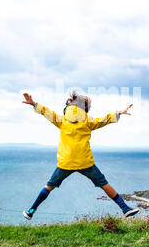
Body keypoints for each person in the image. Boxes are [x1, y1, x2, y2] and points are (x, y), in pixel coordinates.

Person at [22, 91, 139, 220]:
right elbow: (104, 119)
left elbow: (46, 112)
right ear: (85, 109)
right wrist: (119, 113)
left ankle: (31, 211)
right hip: (85, 162)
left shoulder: (62, 120)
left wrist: (33, 103)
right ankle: (125, 208)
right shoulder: (88, 121)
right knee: (104, 184)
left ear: (69, 105)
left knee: (49, 187)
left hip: (65, 162)